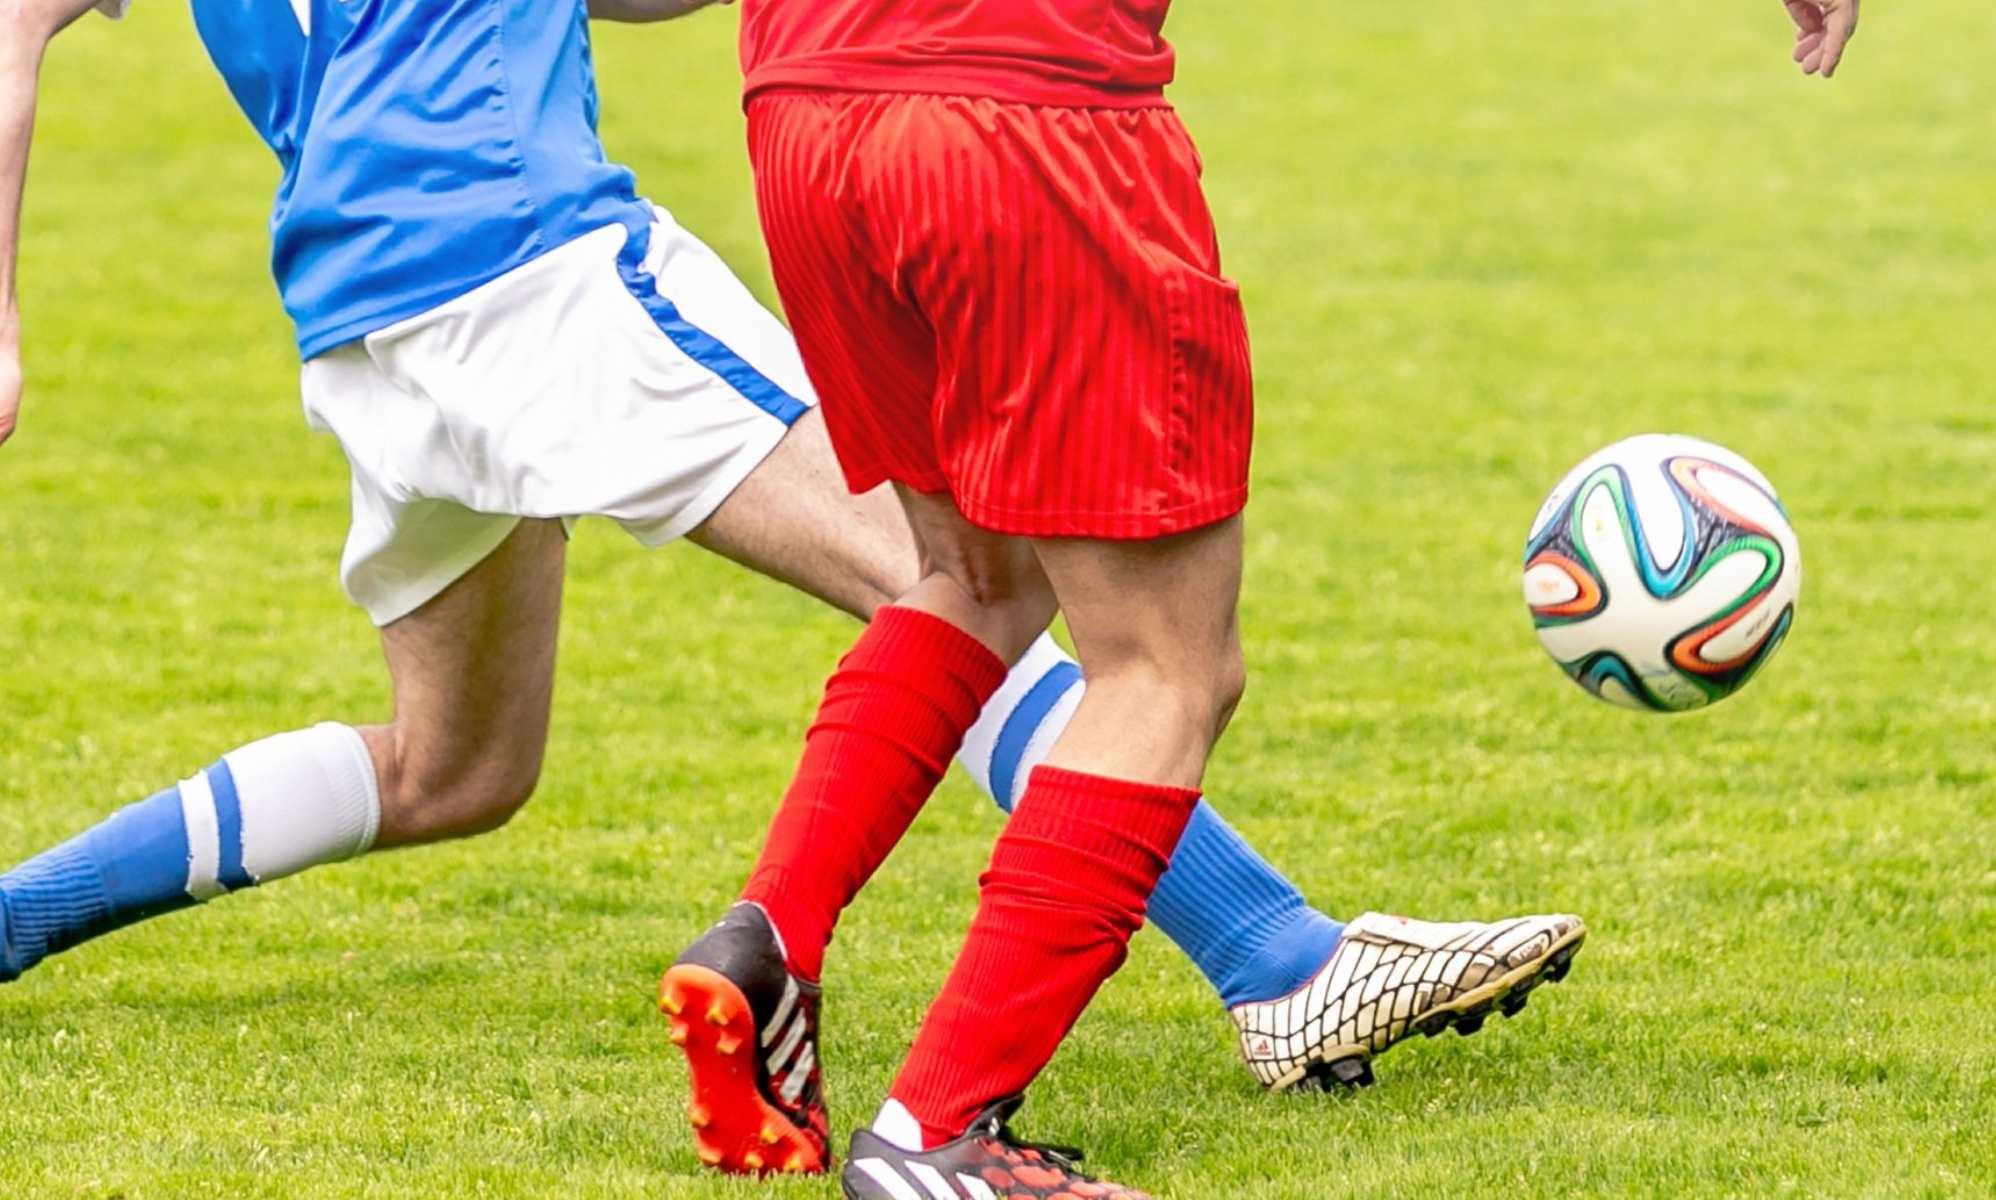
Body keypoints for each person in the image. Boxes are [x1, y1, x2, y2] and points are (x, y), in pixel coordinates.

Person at [0, 0, 1589, 1174]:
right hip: (533, 263)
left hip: (359, 305)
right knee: (966, 579)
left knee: (453, 767)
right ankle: (1276, 965)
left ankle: (11, 920)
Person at [662, 0, 1858, 1194]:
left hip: (804, 118)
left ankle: (769, 939)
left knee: (973, 577)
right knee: (1163, 668)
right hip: (1025, 119)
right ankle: (940, 1136)